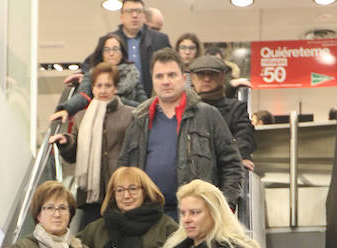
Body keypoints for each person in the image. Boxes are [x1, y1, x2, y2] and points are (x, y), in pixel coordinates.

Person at [117, 48, 244, 218]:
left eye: (172, 75)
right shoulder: (139, 119)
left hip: (197, 218)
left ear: (184, 79)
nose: (165, 81)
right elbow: (124, 167)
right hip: (147, 218)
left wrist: (226, 206)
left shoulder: (208, 115)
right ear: (153, 81)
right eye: (159, 76)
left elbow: (232, 165)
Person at [49, 64, 134, 226]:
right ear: (93, 88)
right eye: (99, 86)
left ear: (116, 88)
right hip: (89, 195)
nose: (103, 90)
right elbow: (73, 154)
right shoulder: (81, 116)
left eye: (108, 86)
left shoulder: (129, 114)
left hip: (120, 191)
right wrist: (66, 142)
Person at [77, 168, 177, 248]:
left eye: (133, 189)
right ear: (112, 194)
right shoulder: (97, 228)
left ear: (145, 191)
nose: (126, 196)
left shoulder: (165, 226)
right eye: (119, 190)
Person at [79, 0, 171, 99]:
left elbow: (173, 65)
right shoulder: (110, 40)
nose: (135, 15)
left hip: (156, 99)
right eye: (129, 11)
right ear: (121, 17)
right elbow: (91, 62)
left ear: (144, 16)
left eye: (138, 11)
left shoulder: (160, 39)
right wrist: (81, 74)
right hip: (121, 101)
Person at [52, 33, 146, 120]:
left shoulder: (133, 75)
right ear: (102, 54)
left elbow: (143, 106)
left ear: (122, 53)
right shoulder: (92, 74)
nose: (111, 53)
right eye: (107, 50)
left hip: (127, 122)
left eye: (115, 49)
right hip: (100, 119)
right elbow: (83, 96)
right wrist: (66, 109)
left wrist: (117, 100)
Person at [188, 54, 256, 171]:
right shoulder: (184, 108)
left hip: (224, 169)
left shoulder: (236, 109)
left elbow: (244, 135)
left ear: (222, 77)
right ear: (193, 78)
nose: (207, 79)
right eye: (201, 74)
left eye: (212, 74)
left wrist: (239, 157)